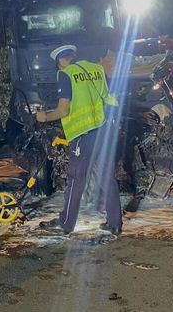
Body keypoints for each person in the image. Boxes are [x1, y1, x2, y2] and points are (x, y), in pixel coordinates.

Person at [36, 45, 122, 235]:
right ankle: (115, 223)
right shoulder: (96, 69)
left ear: (60, 61)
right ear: (73, 56)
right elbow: (108, 98)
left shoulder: (66, 74)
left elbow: (63, 110)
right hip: (102, 129)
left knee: (76, 178)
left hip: (83, 134)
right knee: (106, 176)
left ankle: (66, 223)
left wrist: (44, 117)